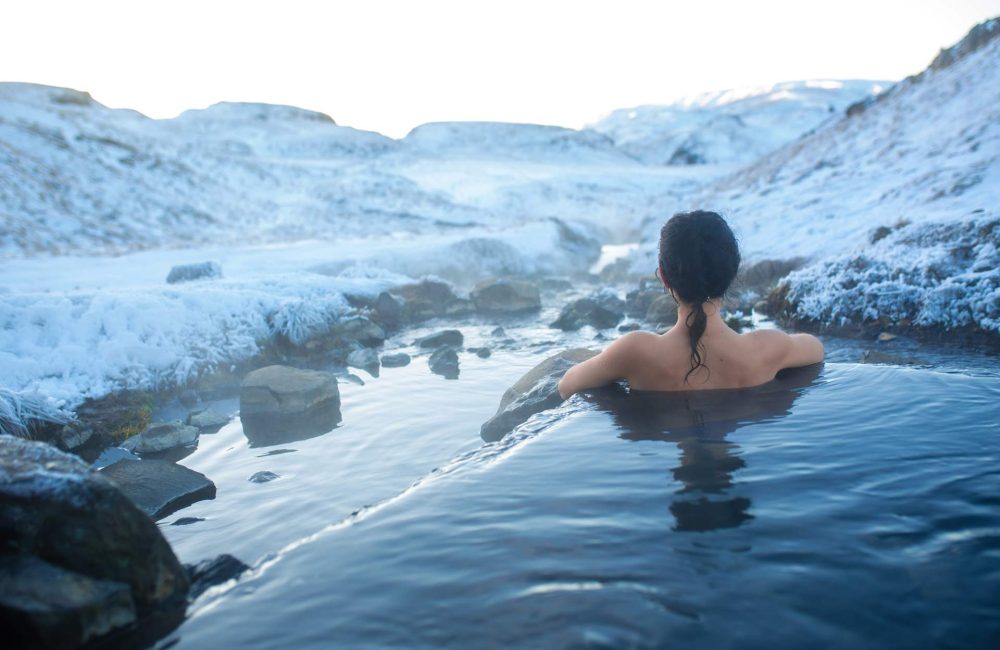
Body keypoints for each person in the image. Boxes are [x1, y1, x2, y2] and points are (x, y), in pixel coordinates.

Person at [558, 210, 823, 399]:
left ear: (663, 276)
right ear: (733, 272)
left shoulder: (636, 352)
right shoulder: (768, 347)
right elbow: (816, 348)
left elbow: (566, 385)